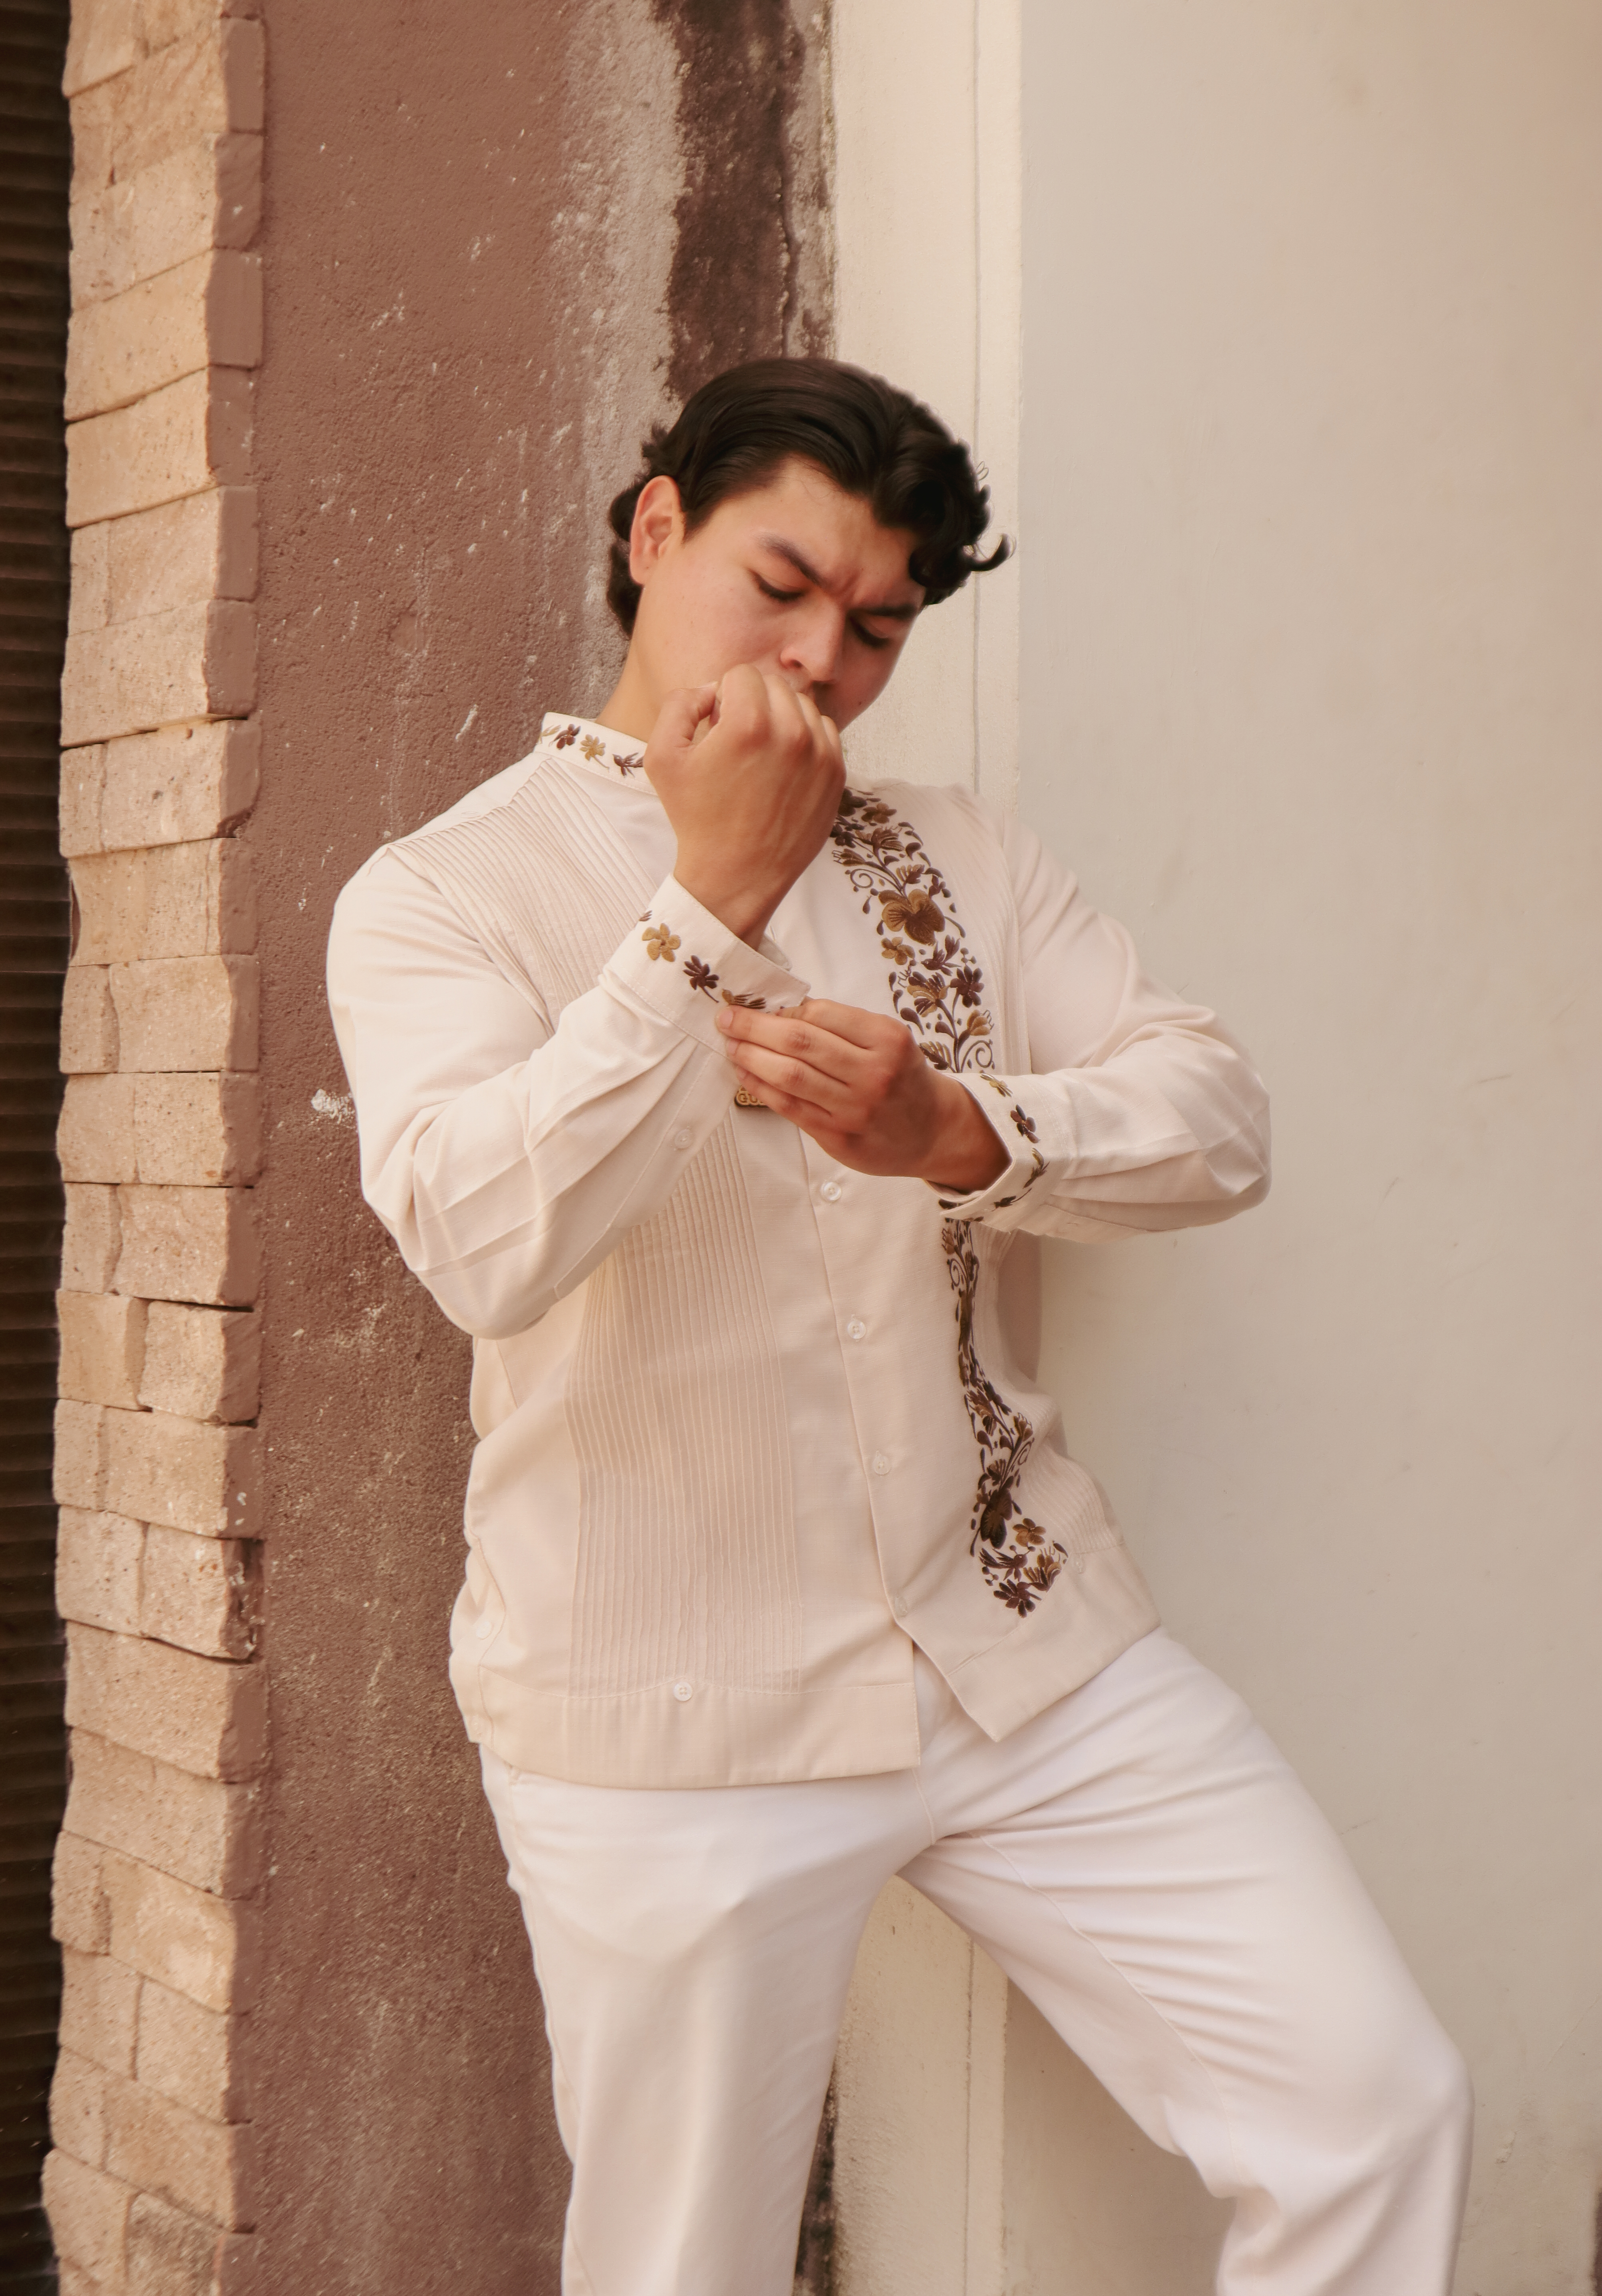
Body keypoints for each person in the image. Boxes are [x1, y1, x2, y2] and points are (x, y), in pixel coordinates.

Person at [326, 357, 1471, 2296]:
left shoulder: (962, 849)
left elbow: (1212, 1113)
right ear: (656, 529)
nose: (824, 661)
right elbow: (479, 1240)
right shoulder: (444, 891)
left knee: (1373, 2100)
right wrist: (709, 900)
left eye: (875, 625)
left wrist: (961, 1129)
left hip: (1026, 1644)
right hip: (668, 1713)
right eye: (779, 586)